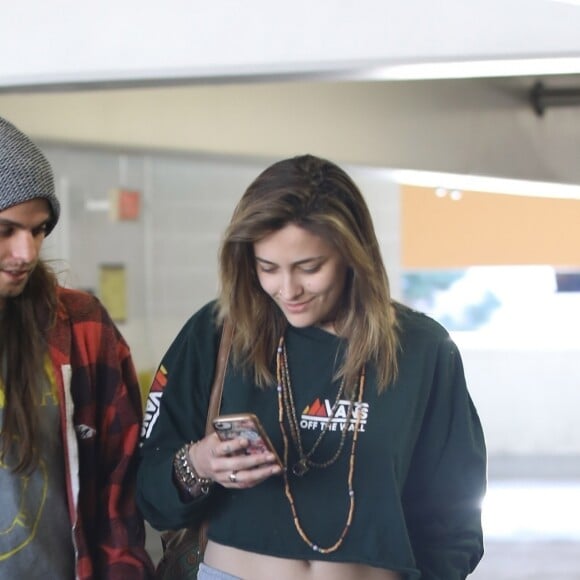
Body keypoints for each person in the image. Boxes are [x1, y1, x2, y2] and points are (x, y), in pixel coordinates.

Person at [137, 154, 486, 579]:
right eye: (268, 268)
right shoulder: (216, 334)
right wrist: (200, 463)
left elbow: (454, 517)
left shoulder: (423, 349)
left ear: (352, 255)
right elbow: (149, 489)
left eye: (309, 268)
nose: (287, 289)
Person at [0, 116, 154, 579]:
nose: (27, 252)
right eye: (6, 229)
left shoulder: (80, 326)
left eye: (39, 229)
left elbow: (119, 491)